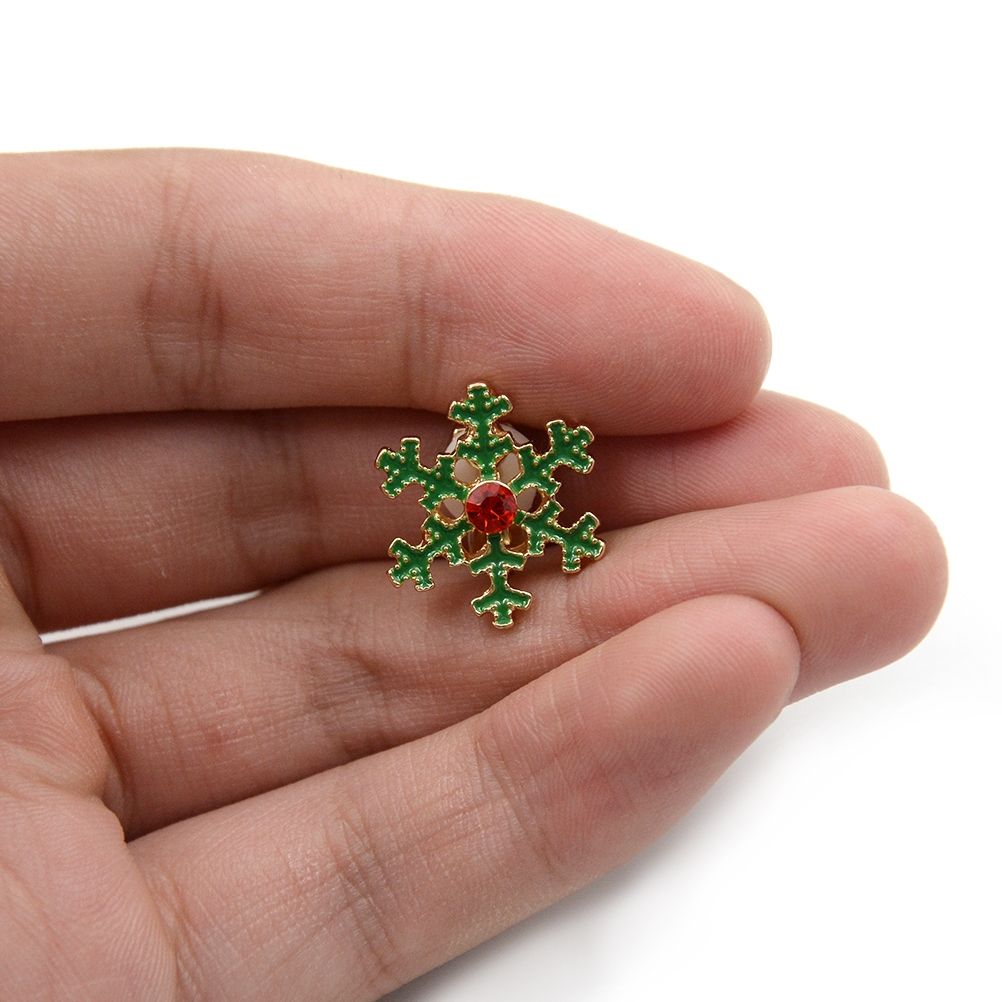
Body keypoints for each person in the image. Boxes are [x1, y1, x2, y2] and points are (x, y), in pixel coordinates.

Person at [0, 148, 947, 1001]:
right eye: (487, 504)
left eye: (497, 502)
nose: (492, 505)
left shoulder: (507, 494)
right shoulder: (480, 504)